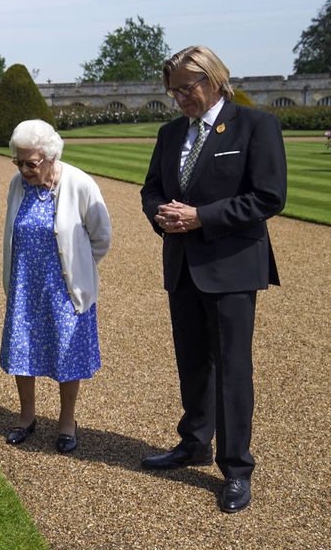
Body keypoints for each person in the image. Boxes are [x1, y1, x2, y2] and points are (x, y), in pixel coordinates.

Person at [139, 46, 286, 514]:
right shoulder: (169, 133)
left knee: (232, 369)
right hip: (181, 264)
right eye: (174, 90)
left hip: (232, 265)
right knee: (193, 362)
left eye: (188, 87)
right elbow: (152, 188)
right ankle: (194, 442)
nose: (181, 97)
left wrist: (202, 216)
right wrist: (160, 215)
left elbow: (268, 197)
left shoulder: (255, 126)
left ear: (216, 79)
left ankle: (237, 468)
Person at [0, 119, 111, 454]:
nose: (24, 169)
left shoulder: (79, 184)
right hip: (25, 287)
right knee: (23, 352)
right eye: (18, 161)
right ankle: (26, 417)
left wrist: (77, 269)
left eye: (30, 163)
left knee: (67, 354)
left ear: (50, 156)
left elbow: (101, 237)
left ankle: (66, 421)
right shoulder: (17, 185)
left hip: (64, 289)